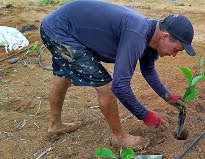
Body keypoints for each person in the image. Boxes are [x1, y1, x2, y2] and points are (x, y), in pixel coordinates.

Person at [40, 0, 196, 149]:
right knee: (106, 88)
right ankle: (119, 137)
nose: (174, 55)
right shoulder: (137, 34)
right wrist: (145, 115)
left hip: (62, 26)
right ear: (165, 36)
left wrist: (167, 96)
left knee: (63, 79)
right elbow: (119, 86)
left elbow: (147, 69)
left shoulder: (152, 36)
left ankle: (55, 125)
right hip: (60, 30)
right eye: (176, 49)